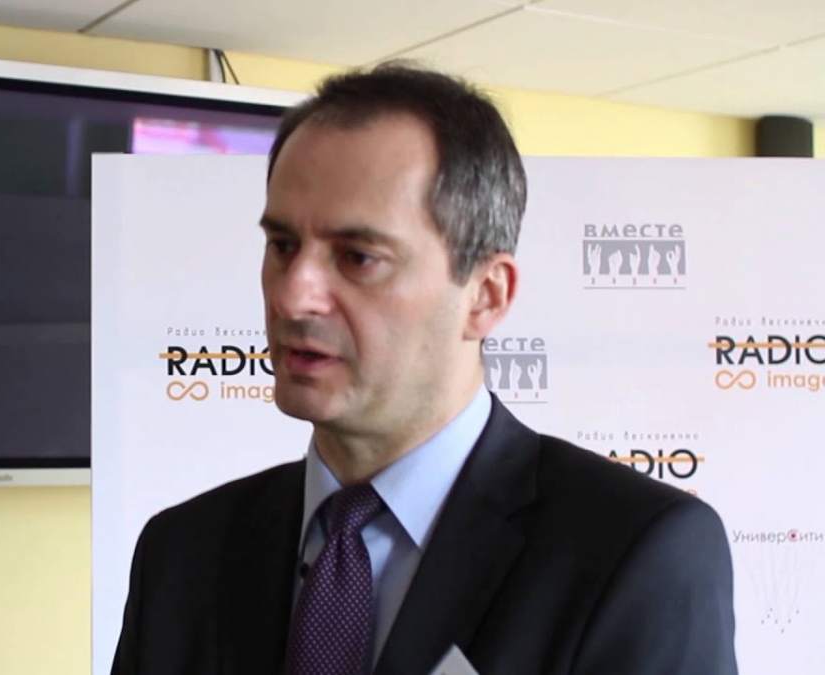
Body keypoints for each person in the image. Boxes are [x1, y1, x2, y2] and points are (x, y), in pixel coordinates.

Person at [111, 64, 736, 674]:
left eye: (358, 257)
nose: (293, 296)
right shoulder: (182, 552)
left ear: (486, 295)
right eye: (283, 246)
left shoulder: (634, 553)